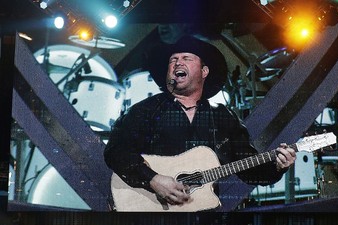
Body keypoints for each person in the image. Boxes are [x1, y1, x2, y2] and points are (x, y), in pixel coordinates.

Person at [104, 35, 296, 212]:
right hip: (152, 218)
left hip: (203, 217)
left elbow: (251, 170)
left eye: (187, 58)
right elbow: (116, 151)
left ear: (204, 71)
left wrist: (278, 166)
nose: (178, 62)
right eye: (173, 59)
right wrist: (152, 179)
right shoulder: (144, 110)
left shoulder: (223, 117)